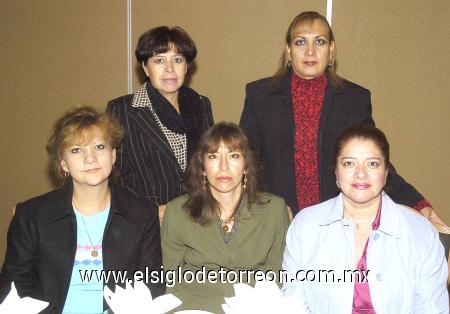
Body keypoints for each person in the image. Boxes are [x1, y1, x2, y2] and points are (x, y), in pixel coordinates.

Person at [239, 11, 445, 227]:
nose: (310, 51)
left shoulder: (354, 99)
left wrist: (416, 202)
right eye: (301, 42)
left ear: (331, 51)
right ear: (288, 52)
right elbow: (245, 162)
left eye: (319, 42)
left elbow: (373, 161)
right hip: (276, 224)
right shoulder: (260, 96)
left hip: (337, 226)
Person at [0, 107, 164, 313]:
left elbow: (151, 285)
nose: (90, 158)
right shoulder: (31, 216)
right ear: (63, 163)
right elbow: (14, 287)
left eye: (99, 146)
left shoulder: (142, 214)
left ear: (113, 155)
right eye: (76, 150)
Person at [282, 124, 448, 313]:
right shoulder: (305, 226)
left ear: (385, 174)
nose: (361, 173)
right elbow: (293, 305)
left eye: (372, 163)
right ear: (336, 172)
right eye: (349, 163)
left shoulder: (421, 233)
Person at [161, 122, 290, 313]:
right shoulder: (177, 212)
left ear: (246, 165)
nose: (223, 167)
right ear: (203, 166)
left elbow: (278, 278)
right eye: (213, 156)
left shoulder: (274, 210)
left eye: (233, 156)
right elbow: (172, 283)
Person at [107, 26, 213, 222]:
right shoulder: (122, 109)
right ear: (145, 67)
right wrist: (148, 211)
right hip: (147, 222)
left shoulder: (201, 104)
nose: (169, 68)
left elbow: (210, 166)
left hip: (198, 220)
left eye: (178, 60)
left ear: (187, 66)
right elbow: (112, 176)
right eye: (159, 60)